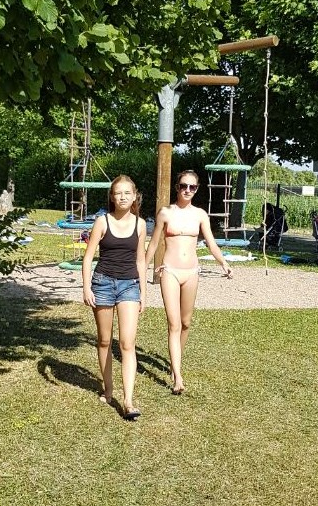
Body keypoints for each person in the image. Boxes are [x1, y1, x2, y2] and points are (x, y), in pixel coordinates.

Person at [145, 169, 232, 395]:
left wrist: (223, 262)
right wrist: (142, 267)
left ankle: (176, 362)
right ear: (177, 187)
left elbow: (211, 242)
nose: (187, 190)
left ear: (197, 189)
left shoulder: (200, 214)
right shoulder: (165, 213)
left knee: (185, 323)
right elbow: (153, 244)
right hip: (170, 271)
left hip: (192, 272)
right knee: (173, 324)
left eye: (192, 187)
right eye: (184, 186)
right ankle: (178, 376)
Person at [82, 175, 146, 420]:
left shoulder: (140, 224)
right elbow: (88, 257)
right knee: (104, 340)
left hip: (130, 285)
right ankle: (108, 389)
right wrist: (86, 288)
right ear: (112, 196)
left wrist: (143, 293)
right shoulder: (102, 221)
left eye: (127, 193)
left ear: (134, 196)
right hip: (103, 284)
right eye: (118, 193)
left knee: (127, 343)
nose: (123, 197)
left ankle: (128, 401)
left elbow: (140, 261)